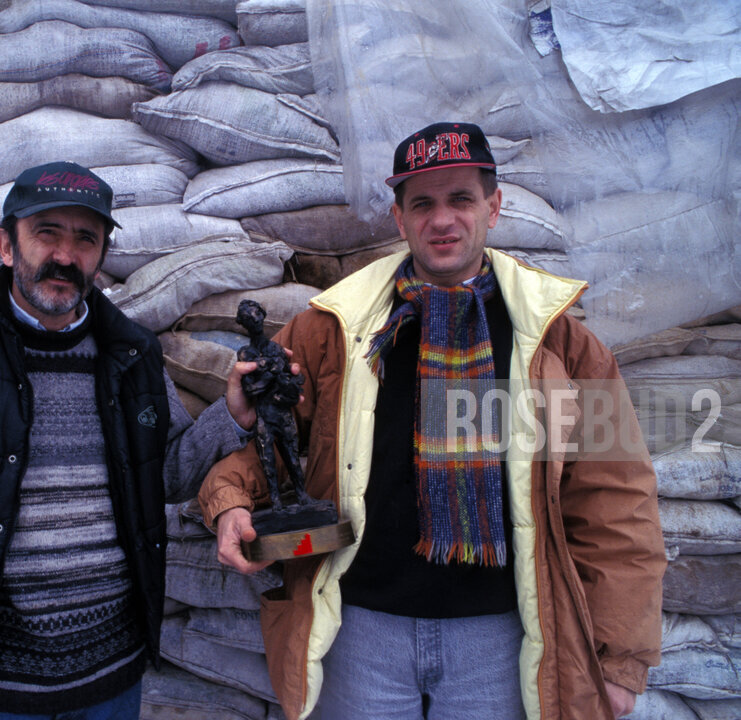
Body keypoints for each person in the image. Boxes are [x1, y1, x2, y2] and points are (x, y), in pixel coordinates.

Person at [199, 122, 666, 720]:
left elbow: (614, 501)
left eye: (461, 199)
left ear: (493, 208)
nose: (442, 219)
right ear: (400, 219)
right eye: (422, 203)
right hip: (360, 629)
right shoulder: (332, 330)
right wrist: (230, 501)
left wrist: (619, 659)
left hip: (499, 639)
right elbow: (280, 443)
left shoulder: (561, 347)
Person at [0, 161, 258, 719]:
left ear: (101, 255)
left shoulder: (131, 353)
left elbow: (164, 474)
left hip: (110, 680)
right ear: (6, 244)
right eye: (47, 233)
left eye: (86, 239)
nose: (66, 256)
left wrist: (232, 413)